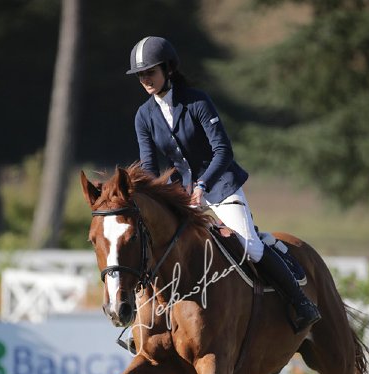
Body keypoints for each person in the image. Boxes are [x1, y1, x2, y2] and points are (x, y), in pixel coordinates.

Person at [126, 36, 320, 332]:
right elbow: (150, 167)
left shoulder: (197, 101)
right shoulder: (144, 115)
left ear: (168, 68)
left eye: (150, 72)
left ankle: (300, 301)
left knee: (250, 248)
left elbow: (223, 150)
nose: (145, 80)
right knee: (155, 246)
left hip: (219, 185)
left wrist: (203, 185)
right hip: (182, 193)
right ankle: (146, 323)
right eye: (140, 75)